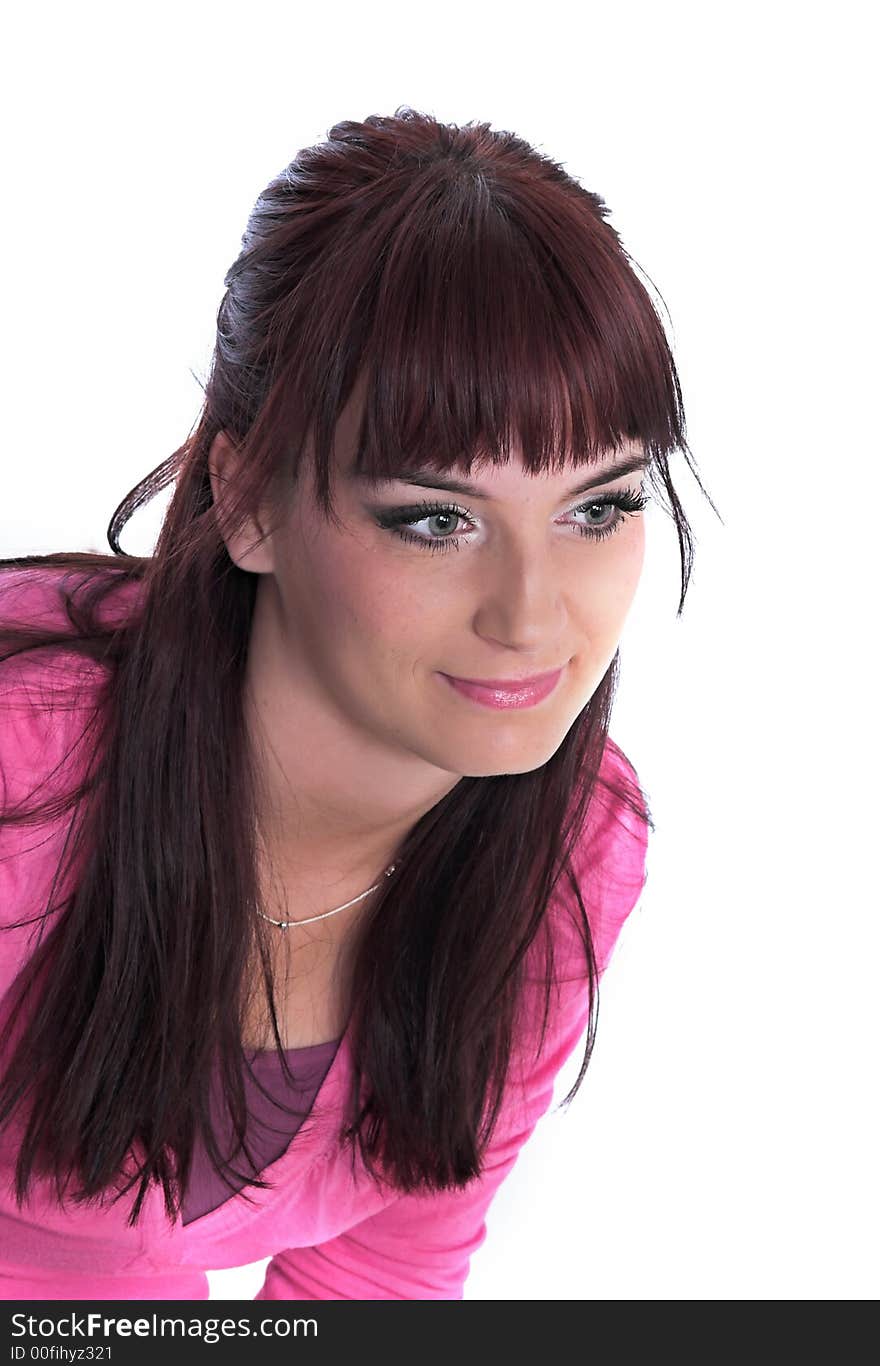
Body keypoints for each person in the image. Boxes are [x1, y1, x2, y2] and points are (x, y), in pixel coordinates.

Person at [0, 107, 714, 1300]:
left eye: (597, 507)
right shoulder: (28, 776)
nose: (531, 615)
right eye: (435, 518)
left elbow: (379, 1267)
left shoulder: (575, 845)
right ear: (249, 501)